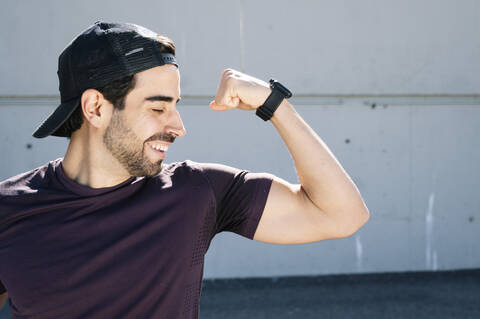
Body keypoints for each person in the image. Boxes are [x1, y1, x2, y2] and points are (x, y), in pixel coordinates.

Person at [0, 21, 369, 318]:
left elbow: (342, 216)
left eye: (175, 106)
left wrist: (276, 104)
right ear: (96, 107)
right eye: (158, 108)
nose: (178, 127)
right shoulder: (8, 209)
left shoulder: (195, 191)